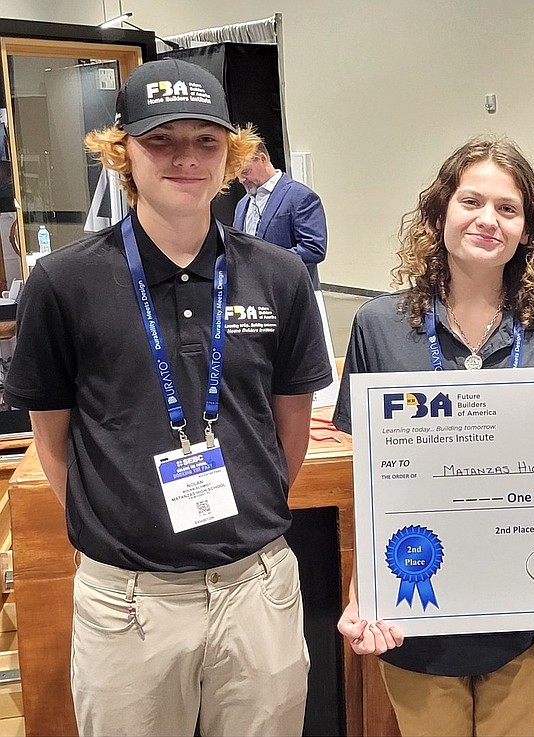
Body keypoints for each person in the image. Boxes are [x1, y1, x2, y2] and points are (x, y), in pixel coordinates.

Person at [4, 58, 332, 736]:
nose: (185, 158)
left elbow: (289, 434)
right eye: (161, 140)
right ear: (124, 152)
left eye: (205, 141)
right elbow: (54, 441)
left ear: (231, 154)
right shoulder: (63, 284)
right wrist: (125, 530)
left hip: (256, 589)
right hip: (127, 601)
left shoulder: (279, 276)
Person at [332, 136, 534, 737]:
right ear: (440, 212)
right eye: (470, 201)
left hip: (526, 610)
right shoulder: (380, 325)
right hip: (415, 607)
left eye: (508, 208)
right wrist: (362, 587)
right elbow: (370, 476)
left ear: (528, 229)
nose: (487, 219)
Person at [234, 140, 328, 288]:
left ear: (263, 159)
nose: (241, 180)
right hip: (253, 292)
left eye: (245, 172)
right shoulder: (242, 204)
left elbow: (313, 249)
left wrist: (264, 259)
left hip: (290, 292)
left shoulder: (301, 197)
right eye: (237, 175)